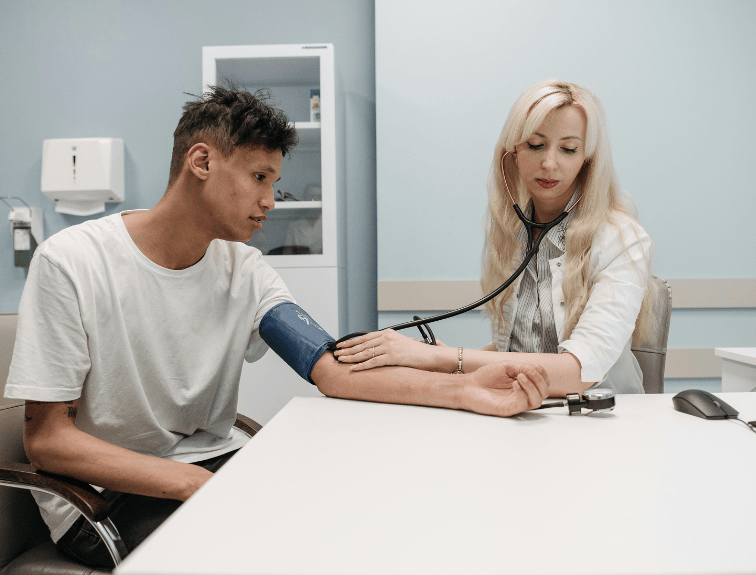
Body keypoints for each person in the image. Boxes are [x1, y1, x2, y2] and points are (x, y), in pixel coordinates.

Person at [4, 86, 549, 568]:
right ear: (201, 161)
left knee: (359, 514)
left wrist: (466, 390)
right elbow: (48, 441)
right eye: (259, 177)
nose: (270, 201)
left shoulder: (245, 270)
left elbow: (333, 371)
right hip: (105, 500)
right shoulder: (71, 263)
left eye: (275, 182)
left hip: (210, 469)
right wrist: (198, 485)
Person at [334, 80, 655, 396]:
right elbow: (517, 350)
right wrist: (439, 360)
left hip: (604, 421)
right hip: (527, 409)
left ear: (587, 159)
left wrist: (442, 358)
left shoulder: (621, 240)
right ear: (513, 152)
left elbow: (577, 372)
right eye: (535, 144)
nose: (549, 163)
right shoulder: (511, 232)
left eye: (568, 149)